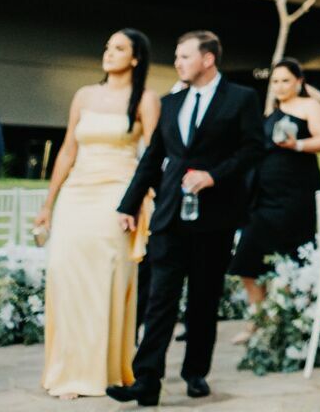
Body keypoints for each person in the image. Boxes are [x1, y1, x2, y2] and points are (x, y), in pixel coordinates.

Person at [110, 30, 263, 406]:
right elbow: (153, 158)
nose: (177, 63)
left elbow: (253, 148)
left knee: (203, 299)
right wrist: (128, 204)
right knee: (159, 299)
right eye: (177, 57)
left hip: (215, 217)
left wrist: (214, 175)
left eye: (184, 56)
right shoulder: (170, 103)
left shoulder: (241, 98)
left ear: (207, 59)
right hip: (169, 217)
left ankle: (196, 372)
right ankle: (146, 379)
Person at [36, 29, 161, 399]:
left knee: (104, 279)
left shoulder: (147, 99)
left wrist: (139, 200)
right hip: (77, 194)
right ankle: (67, 370)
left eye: (119, 48)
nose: (109, 53)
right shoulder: (84, 95)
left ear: (135, 58)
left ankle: (101, 372)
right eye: (107, 46)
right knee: (65, 275)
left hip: (117, 196)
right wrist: (48, 203)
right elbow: (67, 150)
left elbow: (153, 155)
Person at [230, 59, 320, 313]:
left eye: (285, 80)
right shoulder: (270, 111)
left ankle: (290, 316)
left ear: (299, 82)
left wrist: (297, 145)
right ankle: (260, 317)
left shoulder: (309, 106)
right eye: (275, 81)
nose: (279, 86)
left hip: (295, 192)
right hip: (265, 194)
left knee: (292, 256)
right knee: (246, 259)